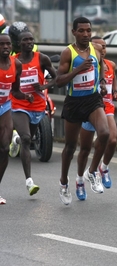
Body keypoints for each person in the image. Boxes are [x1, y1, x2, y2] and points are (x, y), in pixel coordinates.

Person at [55, 17, 109, 205]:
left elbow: (101, 65)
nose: (86, 34)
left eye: (88, 30)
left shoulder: (96, 49)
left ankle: (92, 172)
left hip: (92, 99)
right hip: (74, 102)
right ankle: (63, 182)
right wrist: (77, 70)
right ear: (74, 32)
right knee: (70, 147)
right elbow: (59, 81)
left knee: (105, 133)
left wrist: (102, 82)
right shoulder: (67, 53)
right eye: (82, 31)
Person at [8, 30, 57, 196]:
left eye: (31, 39)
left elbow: (57, 78)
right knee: (27, 139)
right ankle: (29, 181)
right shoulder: (13, 62)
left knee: (30, 139)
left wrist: (44, 87)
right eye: (25, 40)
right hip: (18, 104)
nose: (29, 42)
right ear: (19, 44)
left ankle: (15, 140)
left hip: (37, 106)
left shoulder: (42, 58)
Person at [76, 36, 117, 200]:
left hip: (107, 107)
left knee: (112, 138)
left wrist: (115, 91)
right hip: (90, 108)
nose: (102, 49)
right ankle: (80, 180)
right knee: (85, 149)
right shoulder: (87, 65)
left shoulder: (111, 65)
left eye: (104, 46)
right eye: (99, 46)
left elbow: (113, 79)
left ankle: (99, 169)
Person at [0, 33, 34, 204]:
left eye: (8, 44)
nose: (6, 47)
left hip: (5, 107)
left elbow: (14, 90)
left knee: (4, 149)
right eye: (2, 44)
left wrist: (25, 96)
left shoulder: (16, 64)